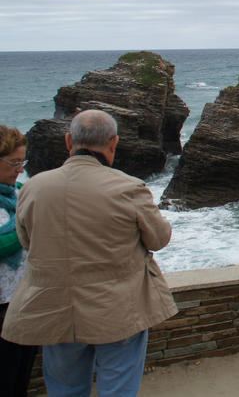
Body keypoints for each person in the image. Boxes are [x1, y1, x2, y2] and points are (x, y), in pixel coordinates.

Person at [1, 110, 177, 396]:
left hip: (55, 307)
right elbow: (159, 239)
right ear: (113, 143)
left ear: (69, 141)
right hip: (119, 309)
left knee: (65, 389)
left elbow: (27, 240)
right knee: (118, 388)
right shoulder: (129, 188)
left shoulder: (34, 188)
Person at [0, 125, 38, 397]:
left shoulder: (22, 191)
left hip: (25, 301)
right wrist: (28, 225)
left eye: (22, 162)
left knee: (19, 378)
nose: (19, 169)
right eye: (14, 162)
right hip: (2, 307)